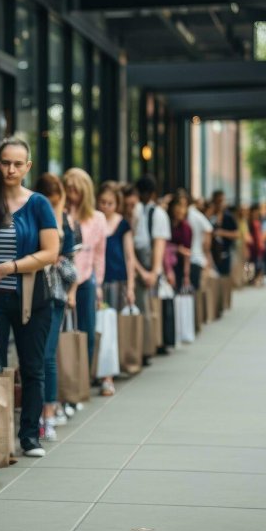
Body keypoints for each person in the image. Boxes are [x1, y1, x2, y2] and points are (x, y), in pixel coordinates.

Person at [0, 138, 59, 457]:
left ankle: (30, 435)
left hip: (32, 298)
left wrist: (9, 268)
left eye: (17, 163)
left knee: (32, 367)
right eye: (4, 162)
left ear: (27, 167)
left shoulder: (39, 203)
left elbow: (51, 252)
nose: (10, 169)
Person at [34, 174, 77, 439]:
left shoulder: (65, 222)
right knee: (35, 358)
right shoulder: (32, 213)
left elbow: (72, 263)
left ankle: (48, 413)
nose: (52, 206)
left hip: (56, 294)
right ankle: (39, 410)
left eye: (56, 201)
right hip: (31, 291)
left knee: (47, 355)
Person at [62, 168, 105, 382]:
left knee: (86, 331)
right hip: (63, 281)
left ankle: (83, 379)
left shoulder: (97, 218)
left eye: (75, 190)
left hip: (86, 279)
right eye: (68, 189)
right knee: (64, 334)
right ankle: (66, 379)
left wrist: (99, 286)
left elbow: (98, 255)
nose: (71, 194)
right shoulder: (60, 214)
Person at [97, 181, 136, 395]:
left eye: (110, 203)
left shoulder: (123, 225)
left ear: (117, 204)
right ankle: (101, 370)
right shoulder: (94, 221)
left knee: (112, 327)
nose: (106, 206)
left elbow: (129, 257)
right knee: (100, 327)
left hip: (117, 280)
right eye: (102, 202)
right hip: (99, 281)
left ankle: (109, 372)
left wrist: (130, 286)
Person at [131, 175, 171, 362]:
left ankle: (150, 347)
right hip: (137, 260)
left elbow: (159, 244)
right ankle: (143, 348)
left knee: (149, 308)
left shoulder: (158, 213)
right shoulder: (136, 209)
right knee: (142, 307)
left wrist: (154, 271)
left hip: (149, 262)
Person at [186, 192, 214, 290]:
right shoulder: (196, 215)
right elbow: (208, 233)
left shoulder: (192, 215)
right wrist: (207, 255)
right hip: (196, 256)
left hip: (193, 256)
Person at [208, 190, 238, 278]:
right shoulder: (209, 215)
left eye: (222, 201)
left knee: (225, 278)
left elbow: (237, 234)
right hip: (212, 253)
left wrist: (223, 233)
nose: (220, 204)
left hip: (225, 252)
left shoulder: (228, 216)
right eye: (218, 201)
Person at [167, 191, 193, 290]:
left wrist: (186, 276)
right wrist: (176, 248)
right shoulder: (166, 222)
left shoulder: (186, 227)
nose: (181, 210)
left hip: (179, 266)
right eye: (178, 205)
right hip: (164, 265)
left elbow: (187, 252)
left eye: (184, 206)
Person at [248, 204, 266, 286]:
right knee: (254, 262)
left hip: (259, 243)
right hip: (253, 244)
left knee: (259, 262)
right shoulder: (249, 221)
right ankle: (254, 278)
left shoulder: (259, 220)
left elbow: (260, 233)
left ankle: (258, 278)